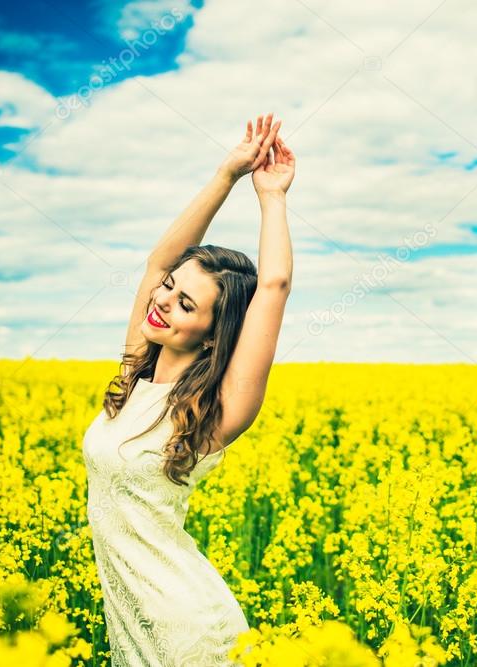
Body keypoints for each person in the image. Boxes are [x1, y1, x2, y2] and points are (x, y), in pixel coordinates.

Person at [82, 112, 294, 666]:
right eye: (170, 289)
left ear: (211, 334)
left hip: (189, 632)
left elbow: (272, 286)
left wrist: (270, 196)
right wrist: (226, 174)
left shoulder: (215, 412)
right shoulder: (134, 378)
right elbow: (157, 261)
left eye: (186, 304)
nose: (162, 301)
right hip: (130, 621)